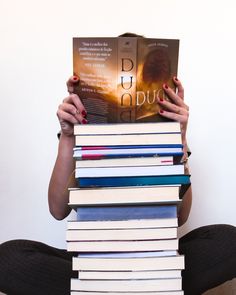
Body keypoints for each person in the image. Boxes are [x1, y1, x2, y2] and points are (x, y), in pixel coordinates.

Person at [0, 76, 236, 295]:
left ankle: (110, 289)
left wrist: (179, 138)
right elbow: (58, 209)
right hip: (93, 262)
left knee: (229, 241)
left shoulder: (163, 139)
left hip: (155, 261)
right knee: (8, 258)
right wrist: (69, 135)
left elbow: (180, 216)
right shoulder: (86, 135)